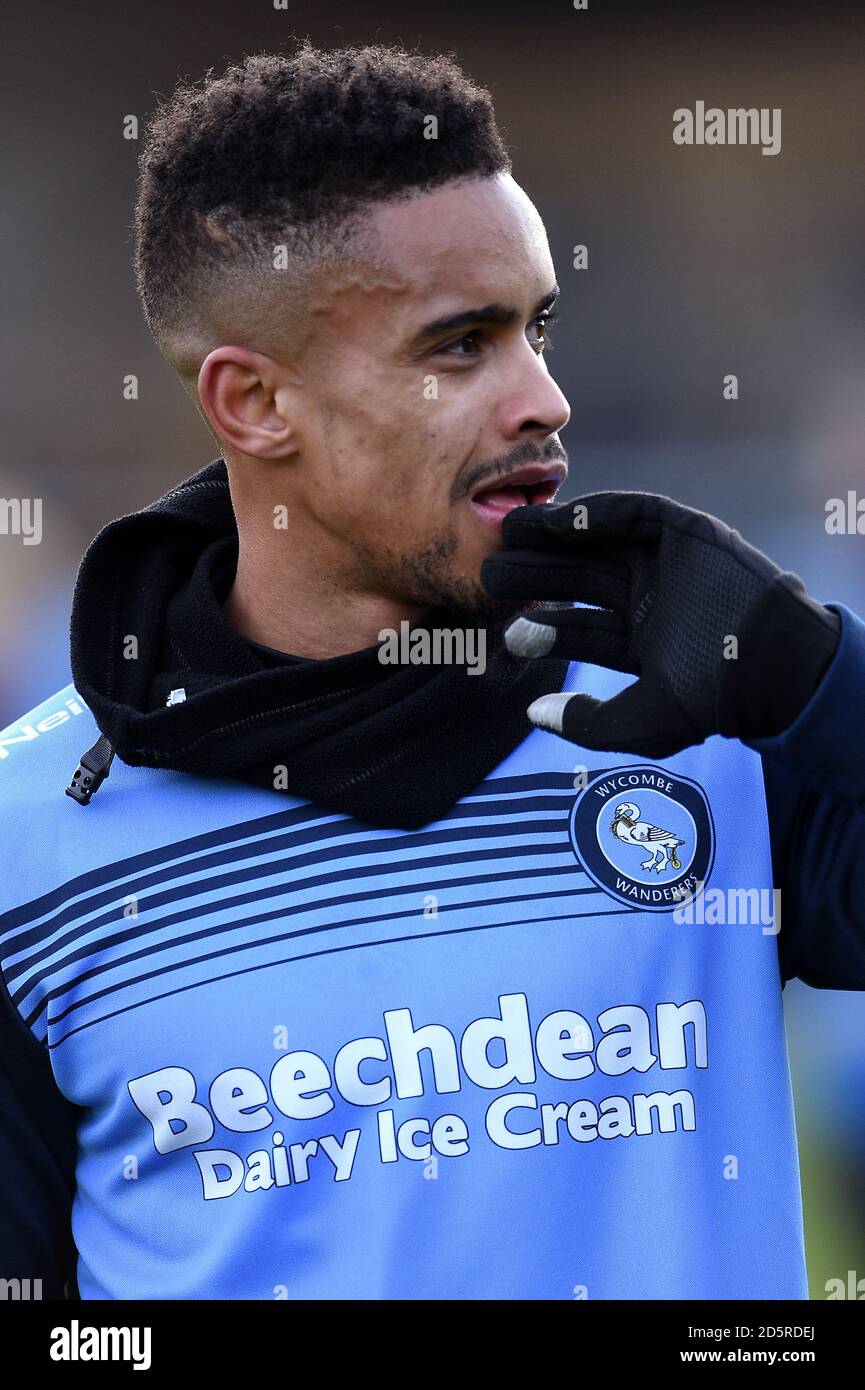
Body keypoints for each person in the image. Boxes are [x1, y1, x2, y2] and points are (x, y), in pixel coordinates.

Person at [1, 43, 863, 1302]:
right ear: (253, 403)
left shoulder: (705, 733)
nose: (545, 400)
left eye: (537, 330)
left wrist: (822, 681)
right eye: (461, 346)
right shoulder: (26, 841)